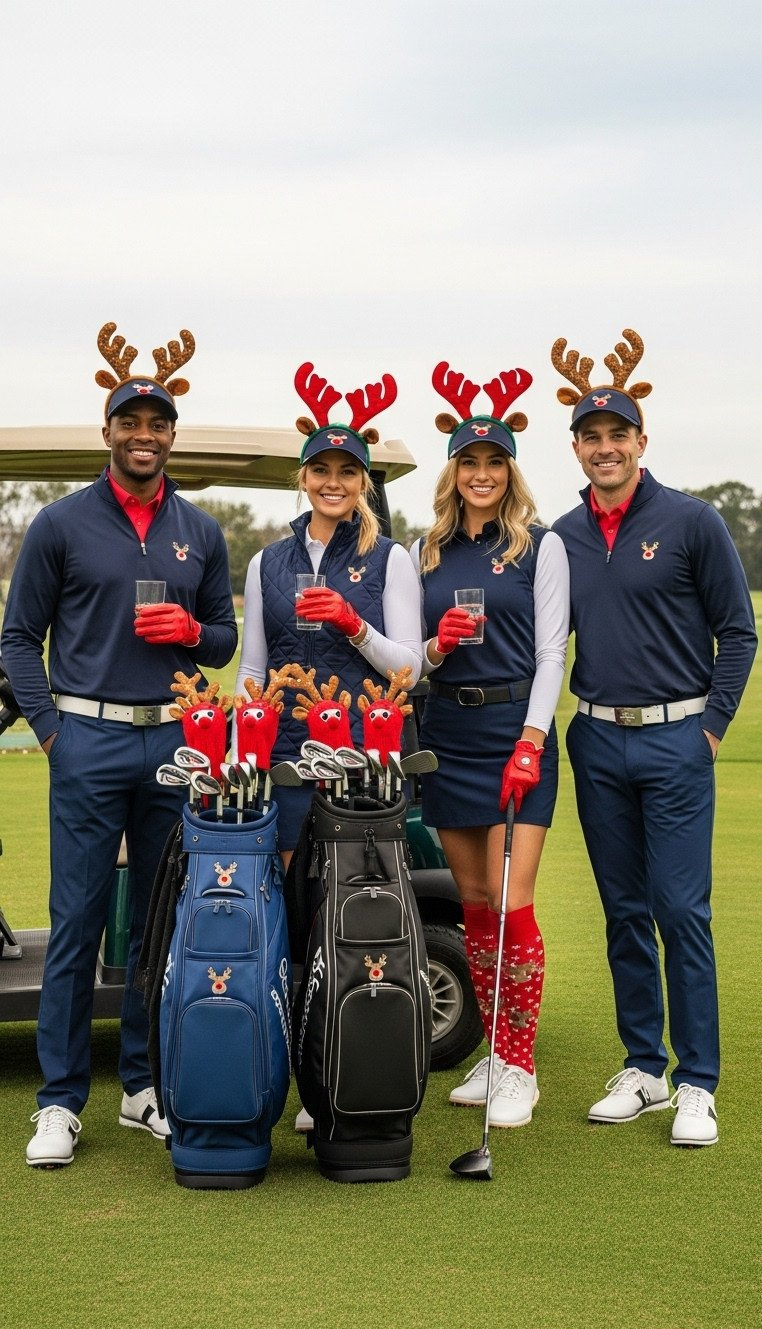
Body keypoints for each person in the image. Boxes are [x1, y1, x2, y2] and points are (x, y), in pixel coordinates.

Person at [1, 322, 237, 1169]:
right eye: (130, 422)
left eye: (158, 423)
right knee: (78, 922)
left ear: (172, 435)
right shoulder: (62, 524)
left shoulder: (199, 532)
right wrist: (53, 731)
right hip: (87, 738)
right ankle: (60, 1101)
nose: (144, 435)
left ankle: (142, 1085)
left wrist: (194, 629)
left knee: (158, 925)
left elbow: (220, 643)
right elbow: (17, 639)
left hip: (171, 743)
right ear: (108, 432)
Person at [550, 327, 757, 1146]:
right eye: (591, 438)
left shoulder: (691, 520)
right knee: (623, 911)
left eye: (618, 436)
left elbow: (737, 633)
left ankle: (697, 1082)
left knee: (681, 911)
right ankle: (644, 1067)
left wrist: (709, 730)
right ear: (577, 447)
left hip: (677, 740)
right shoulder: (561, 535)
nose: (605, 449)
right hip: (597, 740)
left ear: (642, 441)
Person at [234, 363, 422, 1131]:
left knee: (344, 912)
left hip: (362, 764)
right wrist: (244, 728)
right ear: (302, 477)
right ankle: (276, 1063)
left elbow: (409, 667)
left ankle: (334, 1059)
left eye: (349, 471)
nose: (334, 482)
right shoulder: (265, 561)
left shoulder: (391, 557)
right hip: (282, 755)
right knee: (281, 908)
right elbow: (251, 666)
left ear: (365, 482)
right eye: (322, 469)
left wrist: (352, 625)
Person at [410, 360, 570, 1129]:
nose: (481, 473)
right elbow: (414, 659)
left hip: (516, 735)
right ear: (453, 472)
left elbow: (550, 656)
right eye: (468, 462)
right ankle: (496, 1049)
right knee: (474, 904)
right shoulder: (426, 552)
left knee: (512, 903)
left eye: (494, 462)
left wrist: (533, 740)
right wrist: (438, 648)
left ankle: (521, 1066)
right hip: (451, 733)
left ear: (510, 471)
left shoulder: (541, 547)